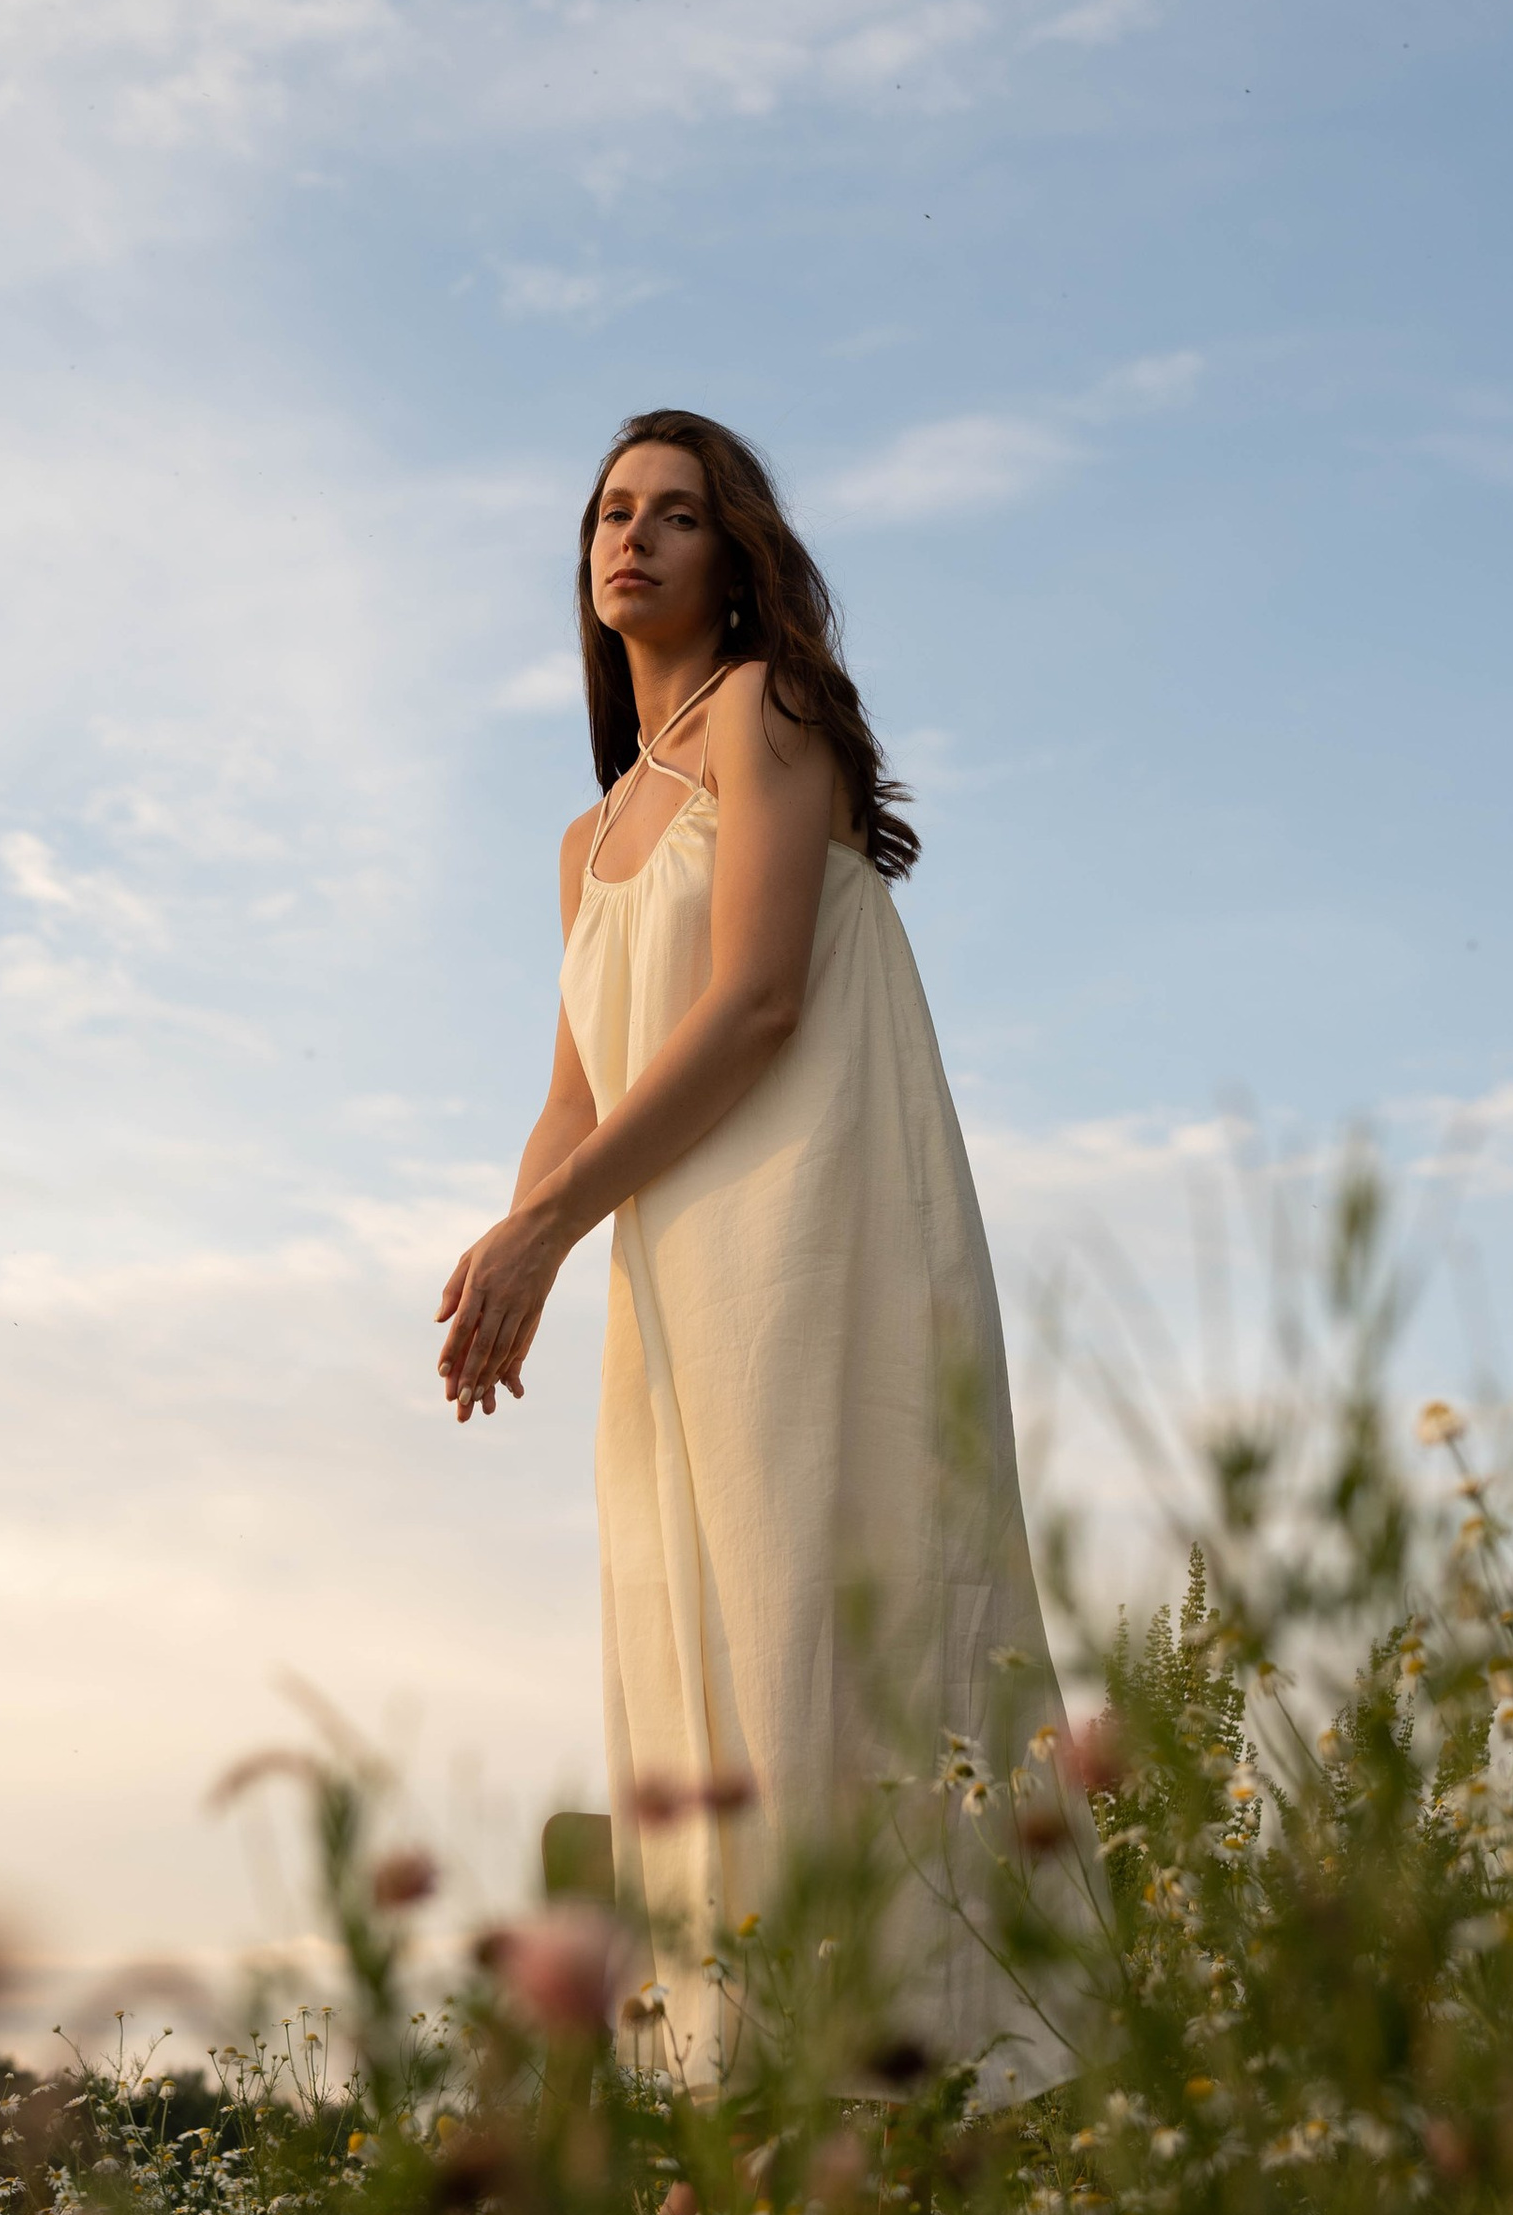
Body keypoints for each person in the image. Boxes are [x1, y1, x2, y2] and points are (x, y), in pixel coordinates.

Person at [436, 408, 1093, 2094]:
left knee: (829, 1597)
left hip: (815, 1227)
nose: (630, 539)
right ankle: (742, 2061)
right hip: (673, 1267)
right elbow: (573, 1091)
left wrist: (552, 1225)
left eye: (673, 514)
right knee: (704, 1615)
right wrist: (518, 1252)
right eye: (607, 515)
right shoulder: (587, 842)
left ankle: (907, 2064)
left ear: (736, 555)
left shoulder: (764, 717)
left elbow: (758, 1003)